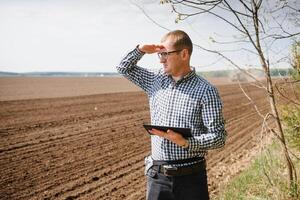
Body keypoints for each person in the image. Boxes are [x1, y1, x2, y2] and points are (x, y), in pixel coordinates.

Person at [116, 30, 227, 200]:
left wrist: (185, 142)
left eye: (165, 54)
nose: (161, 59)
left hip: (191, 179)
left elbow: (218, 137)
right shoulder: (155, 79)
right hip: (158, 177)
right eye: (159, 55)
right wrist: (141, 50)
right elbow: (123, 68)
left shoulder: (206, 90)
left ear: (184, 54)